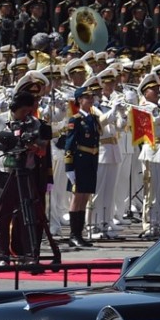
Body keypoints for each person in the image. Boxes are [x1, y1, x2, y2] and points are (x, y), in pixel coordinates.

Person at [0, 90, 53, 263]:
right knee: (3, 215)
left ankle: (28, 254)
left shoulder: (34, 123)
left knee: (28, 216)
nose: (26, 114)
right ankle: (2, 255)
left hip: (26, 174)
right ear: (15, 108)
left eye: (29, 111)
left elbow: (43, 149)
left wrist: (35, 147)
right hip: (5, 175)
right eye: (24, 111)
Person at [64, 85, 101, 248]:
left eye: (92, 97)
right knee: (77, 198)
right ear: (80, 100)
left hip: (90, 160)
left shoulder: (93, 118)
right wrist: (69, 167)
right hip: (79, 161)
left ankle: (80, 234)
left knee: (85, 197)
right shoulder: (75, 119)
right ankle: (74, 235)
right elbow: (69, 144)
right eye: (87, 97)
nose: (91, 100)